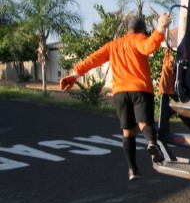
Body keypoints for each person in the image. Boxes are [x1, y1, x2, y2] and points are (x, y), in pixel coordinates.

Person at [60, 13, 172, 181]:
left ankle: (133, 169)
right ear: (142, 30)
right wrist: (161, 28)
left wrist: (74, 75)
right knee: (144, 124)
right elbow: (149, 46)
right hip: (141, 89)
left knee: (128, 132)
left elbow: (93, 59)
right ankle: (151, 143)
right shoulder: (139, 39)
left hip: (120, 93)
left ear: (128, 30)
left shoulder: (113, 45)